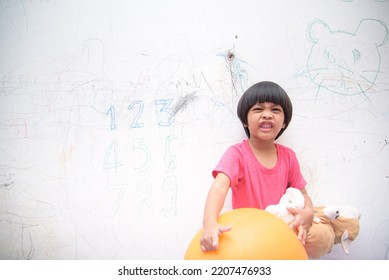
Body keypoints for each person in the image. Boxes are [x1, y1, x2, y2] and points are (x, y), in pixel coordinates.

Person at [200, 81, 314, 252]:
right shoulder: (237, 154)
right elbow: (219, 186)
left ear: (284, 122)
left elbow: (303, 194)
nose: (267, 115)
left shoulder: (288, 157)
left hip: (280, 236)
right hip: (248, 238)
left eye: (275, 110)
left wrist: (309, 213)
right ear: (245, 121)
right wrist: (209, 223)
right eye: (258, 109)